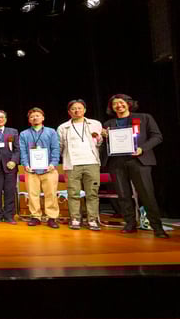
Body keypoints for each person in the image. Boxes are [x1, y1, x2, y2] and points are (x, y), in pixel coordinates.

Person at [101, 94, 168, 238]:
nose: (119, 105)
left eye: (121, 102)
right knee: (123, 195)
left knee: (146, 194)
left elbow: (157, 137)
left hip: (139, 160)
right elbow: (105, 145)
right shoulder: (108, 124)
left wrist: (142, 148)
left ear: (129, 103)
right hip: (116, 162)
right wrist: (103, 137)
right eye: (115, 104)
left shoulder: (144, 118)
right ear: (111, 107)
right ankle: (130, 224)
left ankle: (157, 227)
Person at [57, 100, 103, 231]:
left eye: (79, 108)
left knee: (92, 193)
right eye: (73, 109)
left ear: (85, 110)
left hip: (92, 162)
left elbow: (100, 143)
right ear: (69, 112)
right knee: (73, 193)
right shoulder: (63, 127)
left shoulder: (95, 124)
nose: (76, 111)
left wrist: (99, 138)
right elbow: (60, 146)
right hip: (72, 164)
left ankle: (92, 219)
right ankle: (75, 218)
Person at [19, 107, 61, 228]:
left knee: (51, 194)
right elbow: (23, 151)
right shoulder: (24, 134)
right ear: (29, 120)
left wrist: (53, 163)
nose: (35, 118)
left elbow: (55, 148)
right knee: (32, 194)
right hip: (31, 170)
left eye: (37, 116)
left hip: (49, 169)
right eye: (32, 117)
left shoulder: (51, 132)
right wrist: (25, 165)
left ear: (43, 118)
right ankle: (35, 216)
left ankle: (51, 217)